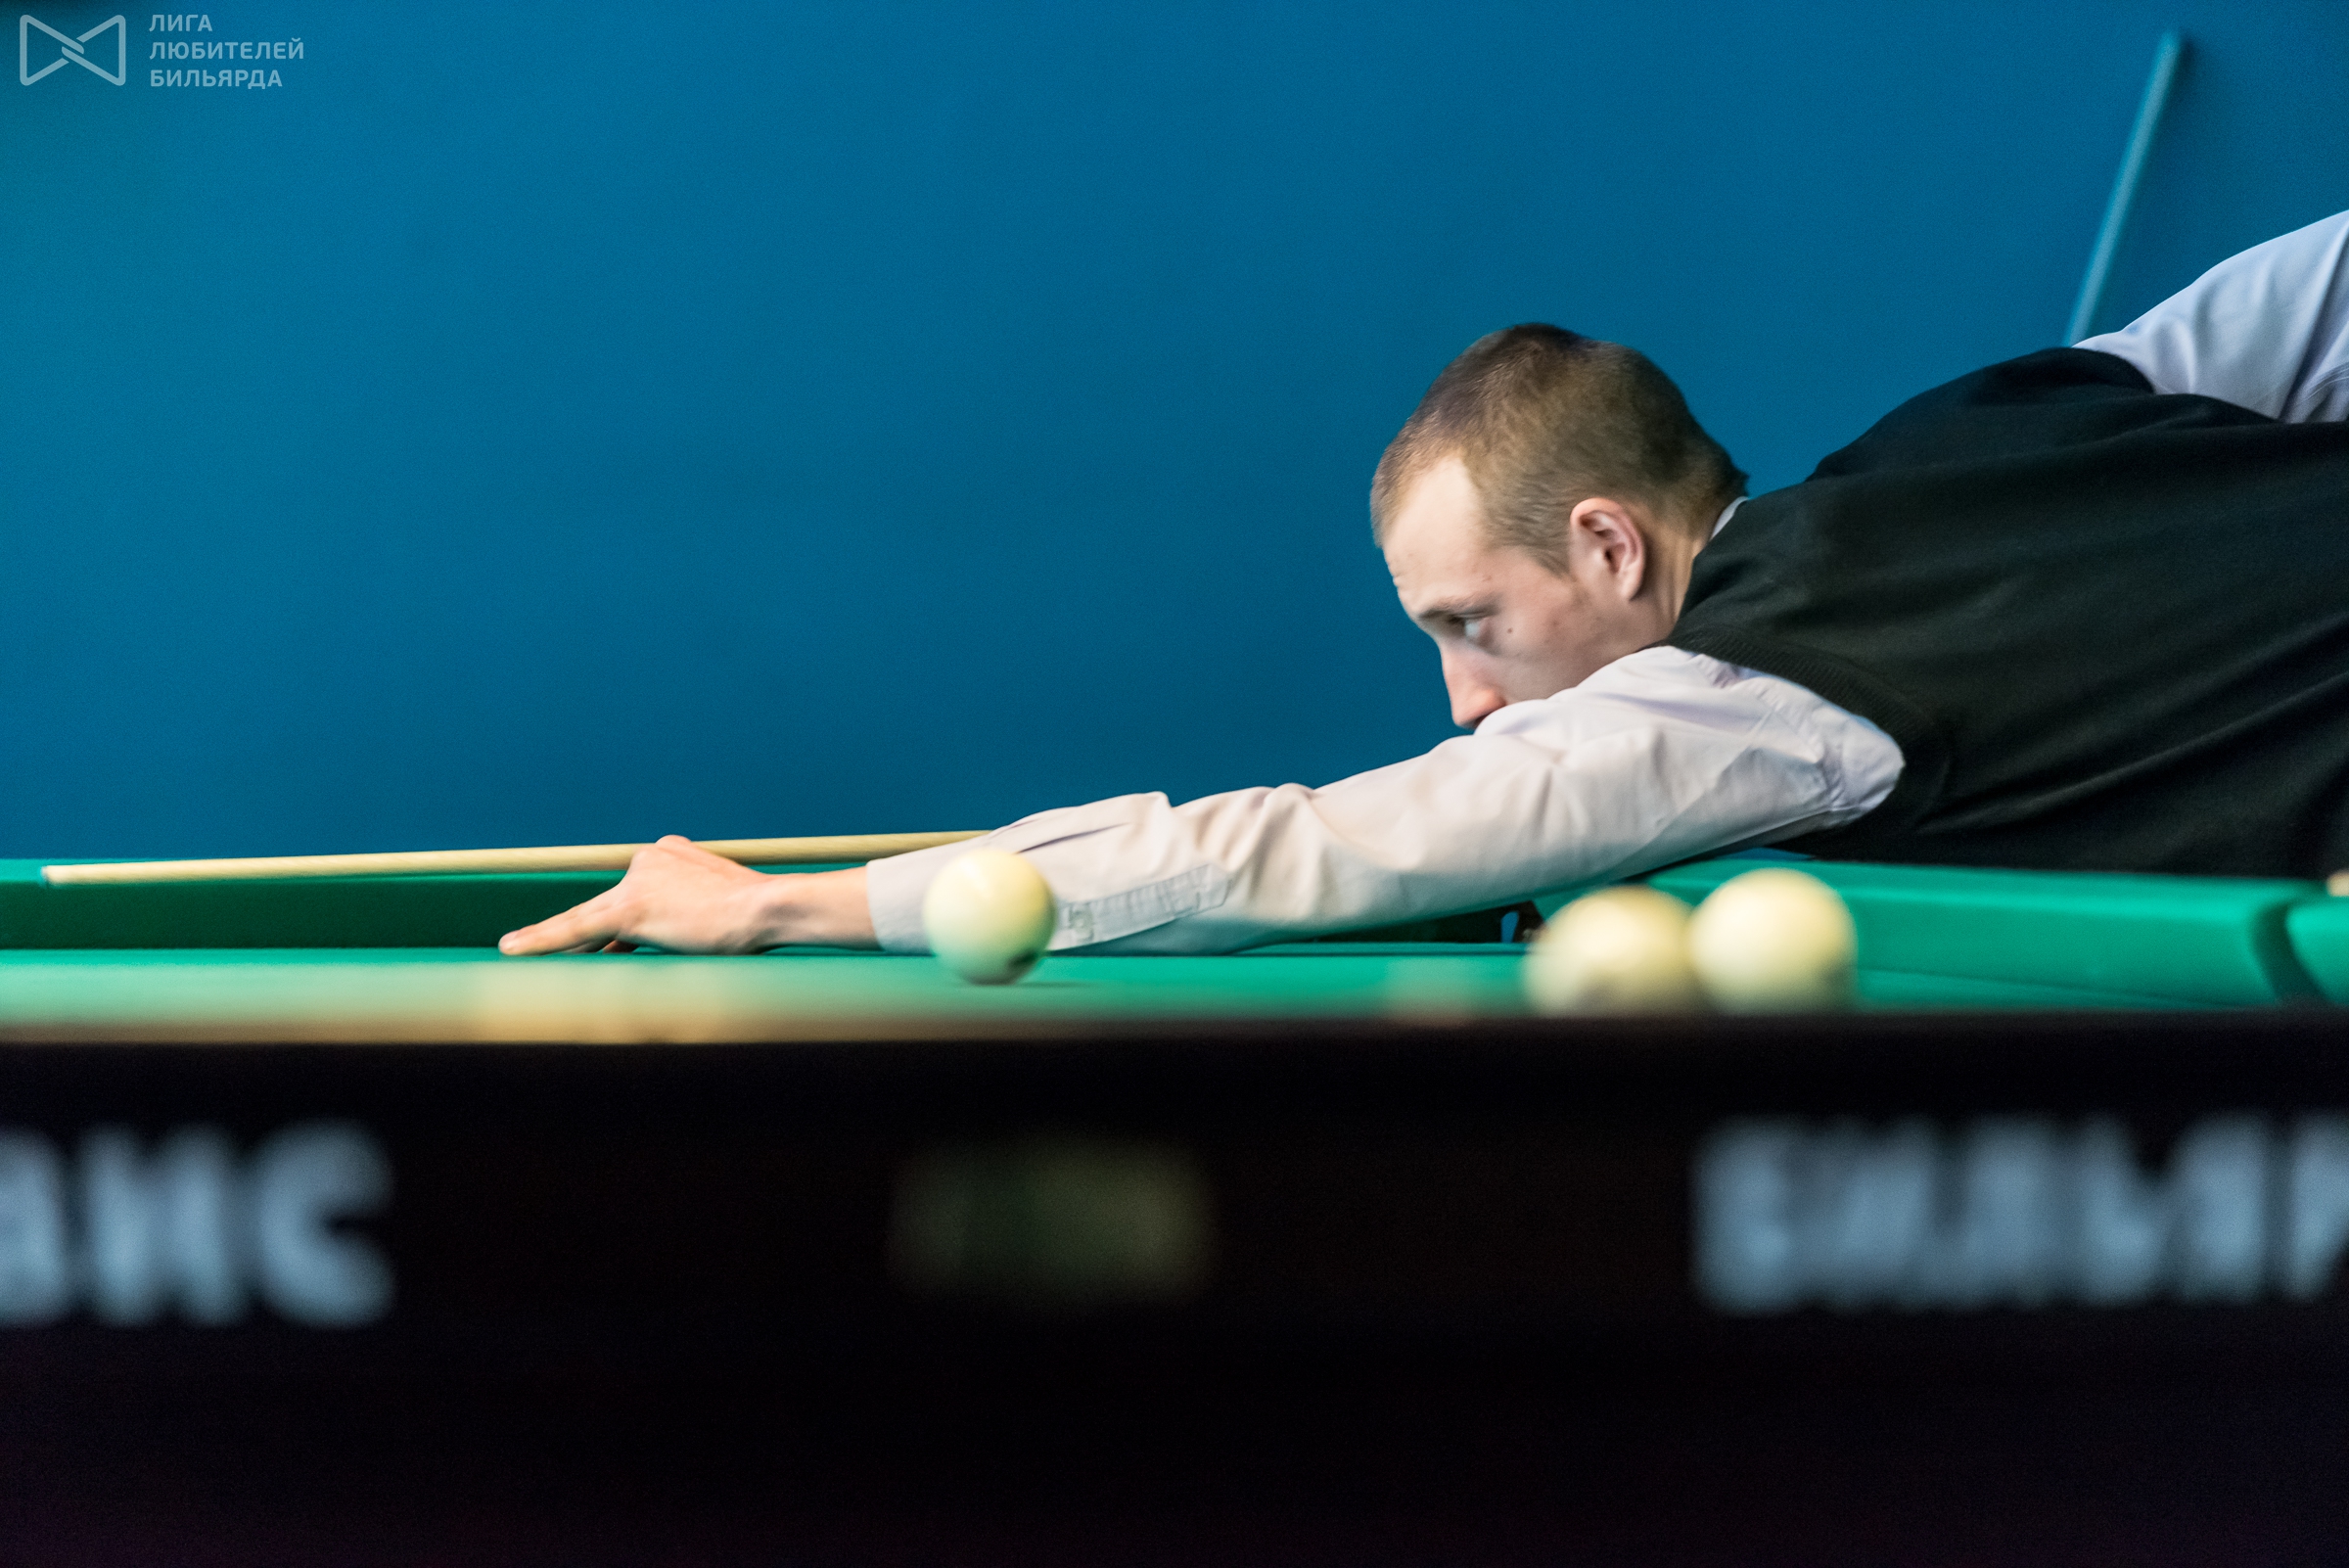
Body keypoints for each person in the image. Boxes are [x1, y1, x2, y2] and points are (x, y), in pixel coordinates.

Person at [501, 210, 2349, 959]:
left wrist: (793, 905)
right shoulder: (2018, 407)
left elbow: (1297, 850)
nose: (1465, 697)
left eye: (1474, 625)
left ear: (1611, 546)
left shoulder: (1754, 694)